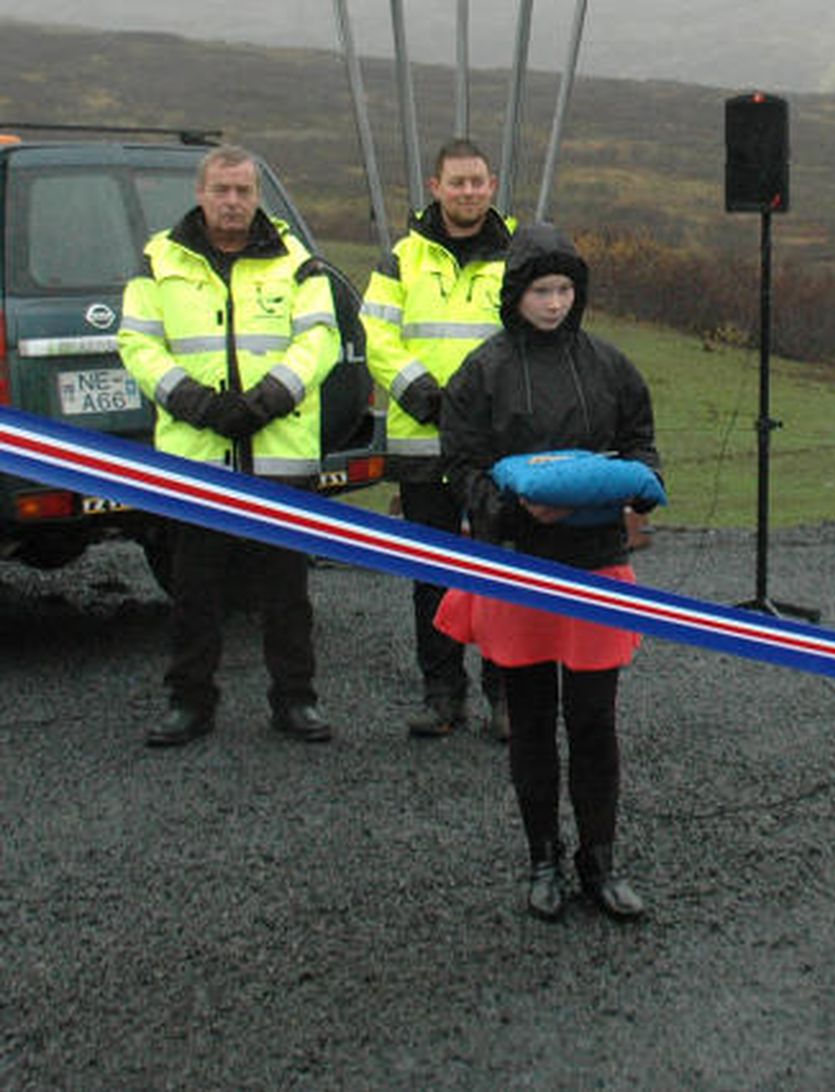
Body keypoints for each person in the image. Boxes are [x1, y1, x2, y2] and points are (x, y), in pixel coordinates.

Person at [436, 222, 661, 922]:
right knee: (531, 721)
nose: (555, 302)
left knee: (594, 721)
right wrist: (515, 508)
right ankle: (543, 859)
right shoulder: (484, 370)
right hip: (517, 566)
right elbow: (461, 464)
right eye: (541, 290)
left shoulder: (611, 365)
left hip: (595, 567)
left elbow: (643, 447)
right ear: (516, 294)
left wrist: (621, 491)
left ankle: (601, 860)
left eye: (565, 289)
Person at [118, 145, 339, 747]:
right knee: (194, 593)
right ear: (200, 192)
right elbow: (138, 346)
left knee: (287, 594)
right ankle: (190, 703)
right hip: (197, 457)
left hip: (280, 454)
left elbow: (319, 339)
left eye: (244, 191)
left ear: (257, 196)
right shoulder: (159, 260)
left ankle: (296, 700)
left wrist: (266, 400)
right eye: (223, 189)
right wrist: (198, 404)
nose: (234, 201)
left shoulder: (297, 260)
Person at [361, 138, 513, 740]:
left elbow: (531, 336)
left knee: (502, 577)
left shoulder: (518, 254)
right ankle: (442, 695)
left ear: (493, 186)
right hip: (423, 448)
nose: (468, 192)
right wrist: (426, 397)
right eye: (457, 182)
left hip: (498, 449)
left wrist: (480, 408)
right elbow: (378, 335)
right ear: (435, 187)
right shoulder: (401, 258)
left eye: (477, 182)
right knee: (433, 581)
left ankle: (506, 698)